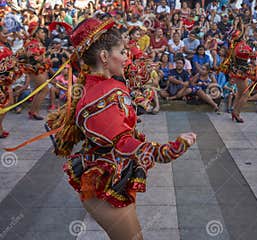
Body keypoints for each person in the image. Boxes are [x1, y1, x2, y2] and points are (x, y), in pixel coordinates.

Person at [47, 18, 196, 240]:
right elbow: (124, 143)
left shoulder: (104, 83)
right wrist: (170, 149)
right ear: (105, 57)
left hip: (116, 176)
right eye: (122, 51)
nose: (126, 56)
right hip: (102, 186)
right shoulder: (97, 100)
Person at [17, 21, 52, 120]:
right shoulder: (33, 44)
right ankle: (34, 112)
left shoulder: (36, 43)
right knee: (45, 89)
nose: (44, 34)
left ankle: (33, 111)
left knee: (39, 90)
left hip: (38, 69)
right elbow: (32, 58)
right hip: (35, 70)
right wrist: (44, 58)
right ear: (36, 33)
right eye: (41, 32)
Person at [0, 44, 21, 137]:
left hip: (5, 81)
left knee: (6, 105)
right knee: (4, 105)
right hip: (3, 82)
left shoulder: (4, 47)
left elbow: (12, 65)